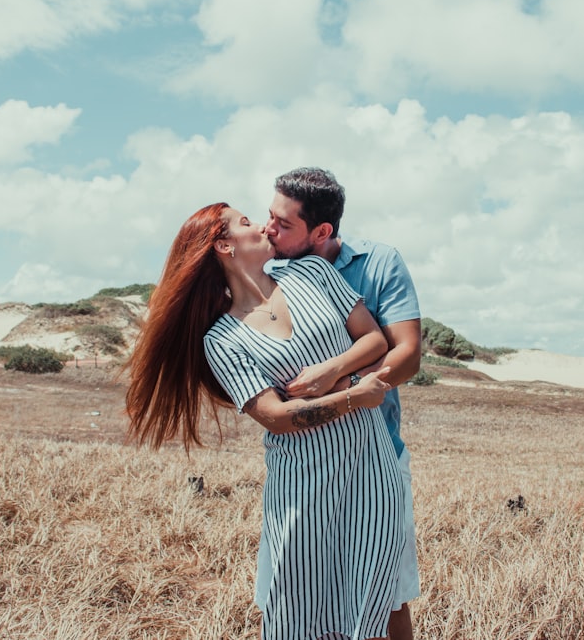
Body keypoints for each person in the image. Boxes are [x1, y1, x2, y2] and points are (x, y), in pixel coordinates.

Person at [125, 202, 405, 640]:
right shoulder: (221, 340)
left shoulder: (313, 273)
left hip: (371, 465)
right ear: (224, 246)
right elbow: (274, 416)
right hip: (302, 484)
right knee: (298, 606)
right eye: (245, 222)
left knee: (370, 600)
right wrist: (353, 396)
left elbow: (373, 339)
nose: (261, 226)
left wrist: (330, 372)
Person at [265, 167, 422, 640]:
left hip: (378, 454)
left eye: (282, 224)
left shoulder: (378, 263)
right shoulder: (268, 272)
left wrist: (338, 378)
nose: (268, 229)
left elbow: (408, 353)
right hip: (303, 463)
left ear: (322, 231)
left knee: (386, 594)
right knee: (296, 592)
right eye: (268, 217)